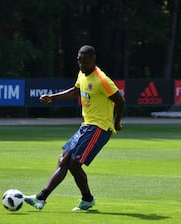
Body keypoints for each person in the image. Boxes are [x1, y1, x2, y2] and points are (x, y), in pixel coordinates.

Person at [24, 45, 125, 211]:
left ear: (93, 61)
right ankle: (79, 199)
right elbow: (75, 92)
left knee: (74, 163)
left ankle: (42, 198)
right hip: (86, 126)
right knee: (64, 159)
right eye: (79, 61)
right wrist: (53, 98)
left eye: (85, 62)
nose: (81, 65)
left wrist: (116, 122)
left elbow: (120, 102)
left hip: (99, 128)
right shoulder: (82, 74)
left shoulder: (102, 80)